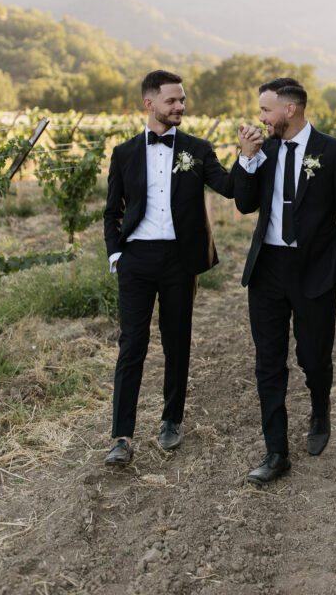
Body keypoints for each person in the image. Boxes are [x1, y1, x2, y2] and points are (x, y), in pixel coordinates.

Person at [103, 69, 262, 465]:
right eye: (172, 100)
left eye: (183, 100)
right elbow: (112, 211)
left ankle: (171, 419)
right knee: (131, 346)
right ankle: (121, 436)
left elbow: (228, 189)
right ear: (149, 103)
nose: (180, 107)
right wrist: (116, 255)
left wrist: (246, 158)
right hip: (136, 261)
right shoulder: (123, 154)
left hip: (178, 260)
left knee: (177, 343)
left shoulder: (197, 148)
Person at [234, 77, 336, 483]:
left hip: (315, 270)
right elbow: (244, 203)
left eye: (265, 111)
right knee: (268, 363)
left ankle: (320, 407)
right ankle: (276, 452)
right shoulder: (264, 150)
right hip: (267, 270)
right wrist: (246, 158)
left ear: (290, 110)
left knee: (313, 356)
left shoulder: (334, 152)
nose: (260, 118)